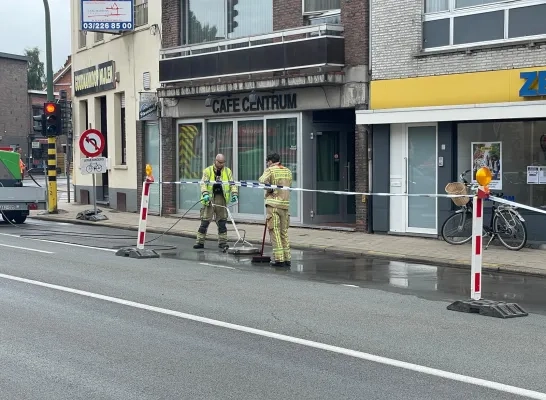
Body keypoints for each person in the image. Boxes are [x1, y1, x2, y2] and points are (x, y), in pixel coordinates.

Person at [194, 154, 238, 250]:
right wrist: (205, 193)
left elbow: (232, 183)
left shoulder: (227, 171)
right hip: (209, 199)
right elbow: (203, 183)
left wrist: (235, 193)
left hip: (221, 198)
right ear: (215, 161)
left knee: (222, 221)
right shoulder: (207, 170)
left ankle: (222, 242)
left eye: (223, 163)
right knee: (205, 221)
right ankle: (200, 242)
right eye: (219, 162)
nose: (221, 164)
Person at [258, 153, 293, 267]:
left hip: (273, 205)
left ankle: (279, 259)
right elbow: (290, 186)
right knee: (284, 233)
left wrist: (270, 188)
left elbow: (262, 180)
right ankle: (287, 258)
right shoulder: (287, 171)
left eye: (267, 162)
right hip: (285, 206)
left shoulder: (270, 170)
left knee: (275, 232)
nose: (267, 164)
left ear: (270, 161)